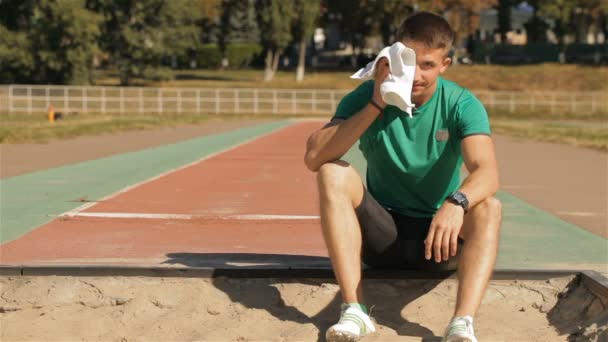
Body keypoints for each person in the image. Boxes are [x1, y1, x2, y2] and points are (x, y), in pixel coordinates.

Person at [304, 11, 501, 342]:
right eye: (409, 63)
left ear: (444, 65)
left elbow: (488, 171)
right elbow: (314, 157)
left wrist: (457, 202)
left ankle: (461, 324)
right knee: (331, 173)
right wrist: (376, 104)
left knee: (489, 207)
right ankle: (354, 310)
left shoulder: (461, 103)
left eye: (427, 65)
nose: (416, 75)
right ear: (394, 57)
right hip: (383, 237)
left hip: (440, 242)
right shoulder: (366, 97)